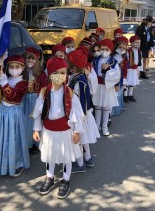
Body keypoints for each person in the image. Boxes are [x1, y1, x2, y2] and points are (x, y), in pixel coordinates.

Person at [32, 57, 84, 199]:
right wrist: (36, 129)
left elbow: (77, 113)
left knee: (67, 156)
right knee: (50, 155)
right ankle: (49, 177)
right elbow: (38, 111)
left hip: (65, 130)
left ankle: (66, 180)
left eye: (63, 72)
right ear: (49, 74)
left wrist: (77, 131)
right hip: (49, 130)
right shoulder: (44, 92)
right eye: (56, 72)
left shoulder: (70, 92)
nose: (60, 75)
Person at [0, 55, 30, 176]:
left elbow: (13, 96)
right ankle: (0, 162)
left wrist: (4, 81)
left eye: (17, 67)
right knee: (1, 136)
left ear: (22, 68)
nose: (14, 69)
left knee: (13, 138)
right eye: (11, 67)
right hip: (2, 112)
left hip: (13, 114)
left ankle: (16, 163)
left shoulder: (23, 83)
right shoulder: (6, 78)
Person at [68, 48, 100, 173]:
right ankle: (88, 158)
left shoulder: (77, 81)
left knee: (79, 140)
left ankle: (80, 164)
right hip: (85, 114)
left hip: (80, 115)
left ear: (73, 69)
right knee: (84, 139)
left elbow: (78, 101)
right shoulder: (81, 77)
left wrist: (77, 117)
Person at [92, 39, 121, 136]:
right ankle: (96, 126)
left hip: (107, 86)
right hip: (97, 86)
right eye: (102, 49)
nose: (104, 51)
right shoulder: (96, 60)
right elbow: (92, 72)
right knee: (97, 105)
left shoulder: (113, 61)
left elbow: (117, 75)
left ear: (111, 50)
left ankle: (104, 126)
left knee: (106, 106)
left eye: (106, 49)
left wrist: (108, 69)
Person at [22, 47, 48, 154]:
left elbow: (44, 88)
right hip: (25, 100)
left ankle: (35, 143)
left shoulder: (41, 74)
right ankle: (26, 142)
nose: (30, 61)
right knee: (25, 121)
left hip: (35, 100)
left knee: (34, 120)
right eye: (28, 58)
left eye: (32, 59)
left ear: (37, 61)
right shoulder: (22, 72)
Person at [111, 37, 128, 115]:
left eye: (123, 48)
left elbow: (125, 69)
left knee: (119, 93)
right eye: (120, 47)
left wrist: (125, 77)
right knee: (114, 94)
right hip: (113, 77)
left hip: (120, 77)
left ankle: (118, 109)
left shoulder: (124, 57)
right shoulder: (112, 57)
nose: (121, 49)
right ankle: (112, 111)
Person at [126, 35, 142, 102]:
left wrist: (139, 69)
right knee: (127, 82)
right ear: (131, 43)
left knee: (132, 82)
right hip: (129, 69)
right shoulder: (128, 51)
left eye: (139, 43)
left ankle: (130, 95)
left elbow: (140, 60)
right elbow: (126, 60)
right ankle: (125, 95)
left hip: (135, 69)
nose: (138, 44)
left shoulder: (139, 51)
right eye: (136, 43)